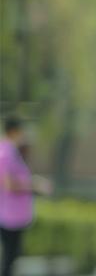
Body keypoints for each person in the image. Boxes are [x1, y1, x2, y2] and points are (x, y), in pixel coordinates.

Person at [0, 116, 50, 276]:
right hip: (8, 215)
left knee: (13, 256)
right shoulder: (5, 153)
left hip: (15, 215)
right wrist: (33, 186)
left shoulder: (13, 152)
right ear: (14, 131)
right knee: (10, 257)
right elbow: (8, 184)